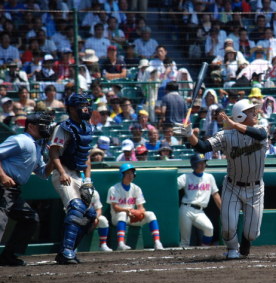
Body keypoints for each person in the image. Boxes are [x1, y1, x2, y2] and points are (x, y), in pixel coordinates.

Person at [176, 99, 267, 259]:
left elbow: (261, 135)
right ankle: (232, 249)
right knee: (228, 228)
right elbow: (203, 147)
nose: (255, 112)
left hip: (255, 189)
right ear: (240, 116)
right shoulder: (226, 136)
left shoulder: (260, 129)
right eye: (251, 110)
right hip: (233, 187)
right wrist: (190, 135)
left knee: (252, 234)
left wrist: (233, 124)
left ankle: (246, 242)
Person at [0, 113, 54, 266]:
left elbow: (43, 173)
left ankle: (8, 256)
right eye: (43, 124)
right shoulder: (19, 140)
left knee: (30, 219)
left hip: (13, 190)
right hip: (3, 186)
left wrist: (52, 158)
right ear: (31, 126)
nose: (47, 128)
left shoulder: (37, 146)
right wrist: (2, 176)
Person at [49, 93, 96, 265]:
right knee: (76, 207)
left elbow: (86, 156)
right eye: (81, 105)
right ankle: (67, 252)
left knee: (90, 214)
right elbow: (53, 151)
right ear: (71, 108)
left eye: (86, 104)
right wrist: (61, 172)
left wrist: (88, 179)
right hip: (64, 172)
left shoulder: (86, 126)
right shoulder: (64, 127)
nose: (85, 108)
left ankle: (67, 250)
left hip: (79, 174)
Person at [106, 163, 164, 251]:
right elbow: (115, 207)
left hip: (132, 217)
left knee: (150, 214)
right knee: (122, 214)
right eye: (128, 173)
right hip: (117, 218)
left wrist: (139, 212)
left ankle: (157, 242)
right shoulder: (114, 188)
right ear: (122, 174)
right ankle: (121, 244)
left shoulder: (136, 188)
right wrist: (128, 211)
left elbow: (141, 207)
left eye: (132, 173)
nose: (130, 175)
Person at [177, 154, 222, 247]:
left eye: (204, 163)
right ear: (194, 164)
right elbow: (173, 186)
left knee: (209, 229)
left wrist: (222, 209)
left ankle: (204, 250)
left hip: (200, 211)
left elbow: (215, 194)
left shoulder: (209, 177)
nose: (202, 165)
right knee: (185, 241)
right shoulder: (185, 177)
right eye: (199, 163)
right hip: (186, 209)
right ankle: (180, 259)